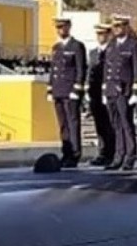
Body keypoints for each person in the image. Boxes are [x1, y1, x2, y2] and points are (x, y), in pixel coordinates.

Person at [102, 15, 137, 170]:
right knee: (116, 124)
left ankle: (130, 156)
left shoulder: (133, 45)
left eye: (120, 26)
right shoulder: (111, 45)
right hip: (111, 90)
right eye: (115, 26)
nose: (117, 29)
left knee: (126, 124)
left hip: (125, 91)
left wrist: (136, 92)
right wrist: (104, 89)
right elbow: (107, 68)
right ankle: (118, 156)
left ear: (126, 27)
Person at [47, 17, 87, 167]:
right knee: (63, 124)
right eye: (58, 27)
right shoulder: (56, 47)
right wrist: (50, 88)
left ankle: (75, 154)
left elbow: (80, 69)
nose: (60, 30)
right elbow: (53, 70)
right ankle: (66, 152)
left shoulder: (77, 46)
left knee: (73, 122)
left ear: (69, 27)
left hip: (70, 90)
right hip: (58, 90)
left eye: (63, 27)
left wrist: (77, 88)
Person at [86, 23, 115, 166]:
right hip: (95, 93)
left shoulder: (112, 51)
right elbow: (90, 71)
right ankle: (102, 152)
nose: (100, 37)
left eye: (103, 34)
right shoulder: (93, 53)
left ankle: (112, 152)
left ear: (109, 35)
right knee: (99, 125)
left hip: (108, 92)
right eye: (98, 34)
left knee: (110, 124)